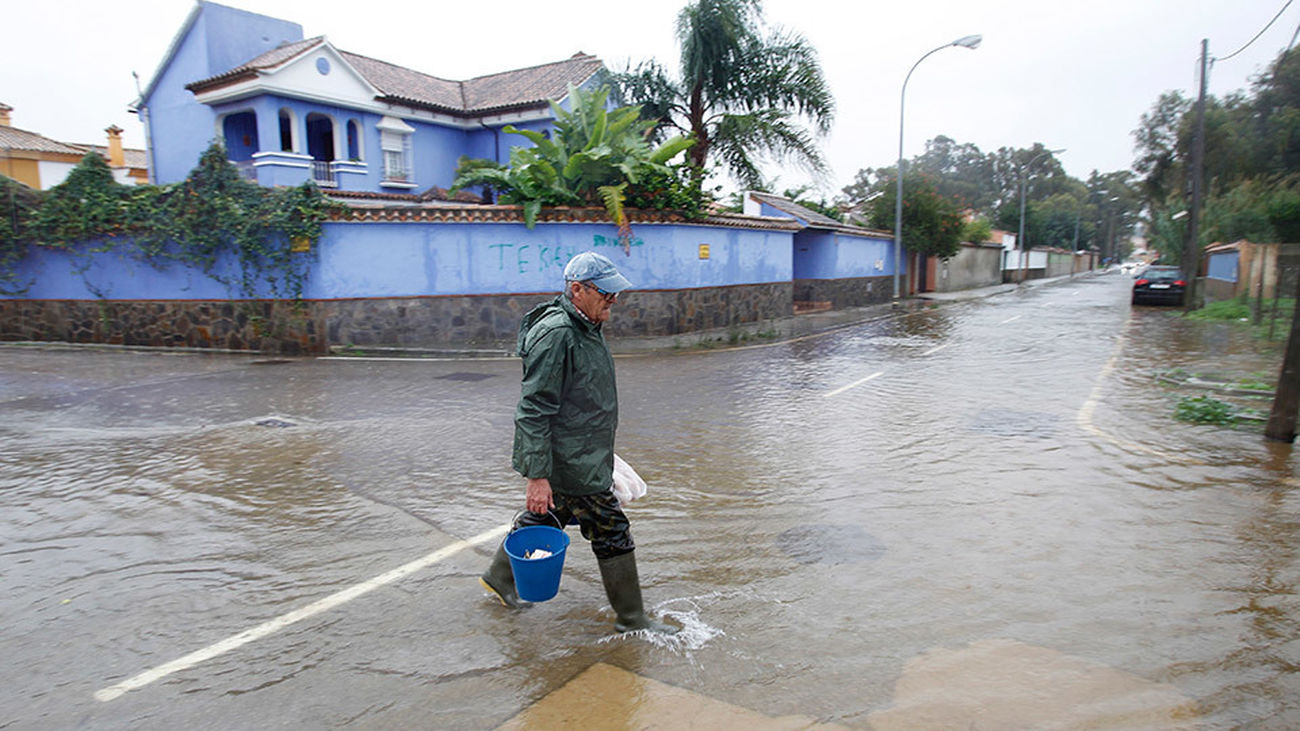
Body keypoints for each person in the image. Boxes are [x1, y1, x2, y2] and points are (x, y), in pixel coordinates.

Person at [479, 251, 677, 635]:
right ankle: (632, 620)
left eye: (615, 293)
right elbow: (533, 409)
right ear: (577, 290)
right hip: (572, 461)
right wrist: (537, 477)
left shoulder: (585, 326)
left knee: (550, 516)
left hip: (585, 453)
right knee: (611, 529)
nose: (614, 300)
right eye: (607, 293)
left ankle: (500, 578)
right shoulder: (559, 335)